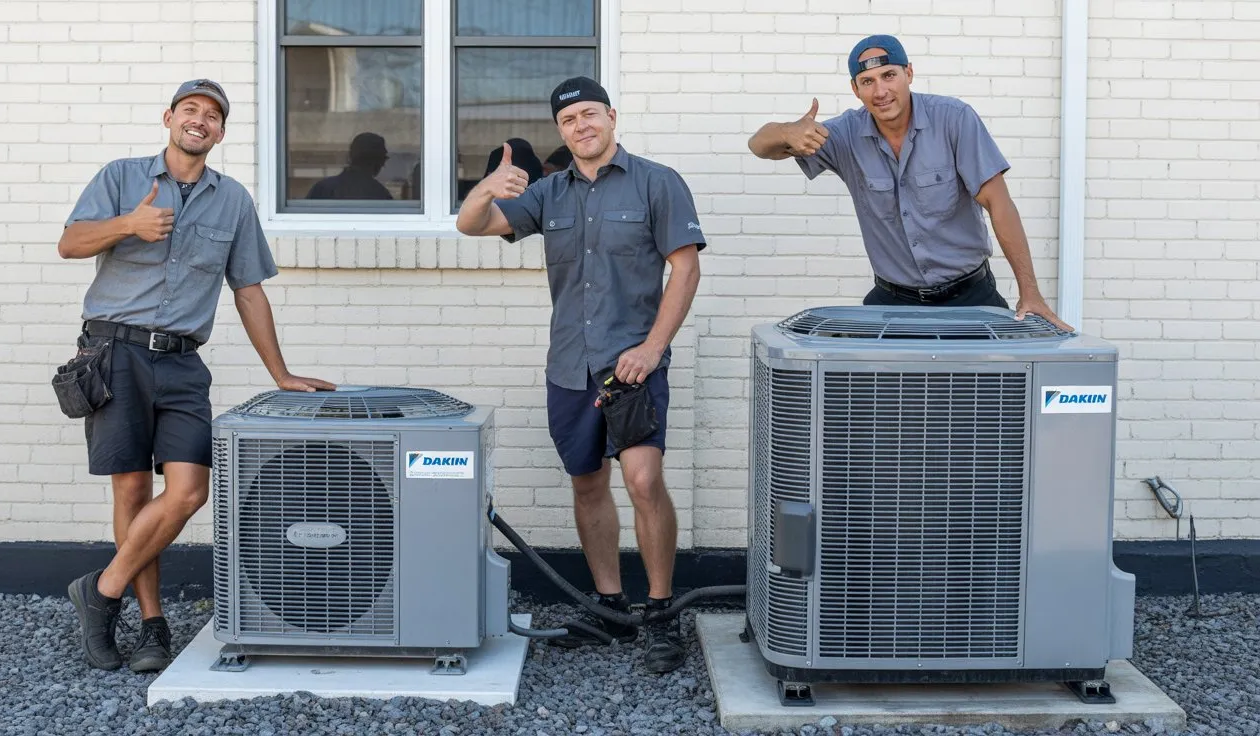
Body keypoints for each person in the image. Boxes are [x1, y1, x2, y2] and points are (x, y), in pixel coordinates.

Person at [57, 79, 335, 672]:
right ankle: (152, 625)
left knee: (188, 491)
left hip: (183, 361)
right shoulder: (121, 177)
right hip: (115, 351)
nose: (200, 120)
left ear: (220, 132)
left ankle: (101, 591)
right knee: (133, 491)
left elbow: (249, 290)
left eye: (212, 115)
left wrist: (281, 373)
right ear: (169, 118)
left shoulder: (232, 200)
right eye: (191, 109)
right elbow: (71, 243)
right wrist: (128, 225)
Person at [456, 76, 706, 674]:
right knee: (588, 484)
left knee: (643, 480)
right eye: (568, 121)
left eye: (590, 114)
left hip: (633, 364)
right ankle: (608, 606)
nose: (581, 126)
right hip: (570, 364)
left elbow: (685, 269)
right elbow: (471, 225)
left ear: (611, 116)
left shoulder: (657, 182)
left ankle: (661, 612)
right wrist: (486, 188)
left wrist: (653, 347)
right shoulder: (549, 193)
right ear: (560, 131)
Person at [747, 34, 1071, 329]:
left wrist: (1030, 291)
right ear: (855, 89)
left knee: (989, 376)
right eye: (868, 81)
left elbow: (999, 204)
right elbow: (759, 146)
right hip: (892, 303)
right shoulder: (845, 135)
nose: (880, 91)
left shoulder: (954, 119)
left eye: (889, 75)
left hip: (970, 297)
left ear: (909, 74)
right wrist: (786, 131)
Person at [307, 132, 394, 200]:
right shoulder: (380, 195)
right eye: (383, 160)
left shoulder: (322, 189)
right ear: (379, 162)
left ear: (350, 156)